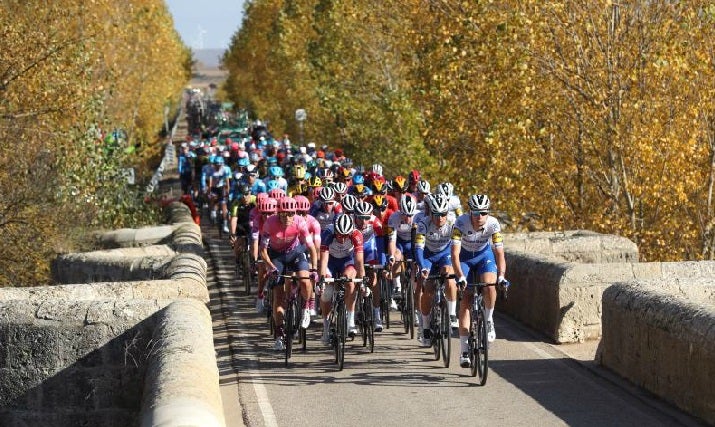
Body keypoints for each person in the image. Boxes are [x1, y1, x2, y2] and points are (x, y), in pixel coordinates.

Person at [452, 194, 508, 367]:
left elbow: (499, 254)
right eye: (475, 212)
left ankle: (489, 320)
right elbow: (454, 254)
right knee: (466, 300)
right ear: (470, 211)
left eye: (483, 213)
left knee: (490, 287)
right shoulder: (460, 223)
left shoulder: (493, 223)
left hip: (485, 257)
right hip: (464, 258)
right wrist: (460, 276)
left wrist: (501, 276)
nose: (479, 217)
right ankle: (463, 350)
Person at [260, 197, 319, 351]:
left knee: (305, 280)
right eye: (284, 214)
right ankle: (279, 334)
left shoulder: (299, 222)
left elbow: (311, 247)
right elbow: (262, 251)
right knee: (278, 296)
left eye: (291, 213)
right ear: (278, 213)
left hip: (295, 253)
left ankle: (306, 307)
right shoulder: (270, 223)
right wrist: (270, 266)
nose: (288, 217)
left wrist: (314, 269)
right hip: (277, 257)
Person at [414, 193, 458, 347]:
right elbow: (418, 248)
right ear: (430, 213)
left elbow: (459, 248)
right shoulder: (423, 224)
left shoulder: (453, 223)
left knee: (449, 276)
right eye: (436, 215)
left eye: (443, 215)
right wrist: (423, 266)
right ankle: (425, 327)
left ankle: (452, 314)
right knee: (428, 291)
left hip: (445, 255)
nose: (440, 218)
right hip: (427, 256)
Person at [318, 214, 365, 343]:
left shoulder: (356, 234)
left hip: (347, 261)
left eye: (346, 236)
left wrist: (363, 281)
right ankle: (326, 326)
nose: (343, 239)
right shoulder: (328, 233)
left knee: (350, 283)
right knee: (326, 291)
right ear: (335, 231)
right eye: (340, 236)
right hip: (330, 262)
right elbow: (323, 260)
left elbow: (359, 262)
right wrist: (322, 280)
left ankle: (350, 320)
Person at [353, 201, 387, 331]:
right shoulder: (349, 221)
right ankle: (355, 309)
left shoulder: (376, 222)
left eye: (366, 218)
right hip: (354, 247)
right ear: (355, 215)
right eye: (360, 218)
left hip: (368, 248)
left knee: (373, 279)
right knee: (354, 277)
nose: (363, 221)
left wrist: (382, 263)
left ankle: (377, 315)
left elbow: (380, 245)